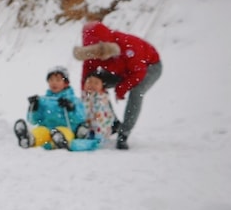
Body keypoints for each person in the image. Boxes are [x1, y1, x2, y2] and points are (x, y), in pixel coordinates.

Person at [73, 21, 162, 150]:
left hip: (149, 67)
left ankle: (124, 133)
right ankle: (112, 122)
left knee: (137, 92)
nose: (98, 56)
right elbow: (88, 76)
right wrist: (85, 95)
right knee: (96, 83)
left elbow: (138, 73)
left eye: (101, 51)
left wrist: (121, 89)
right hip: (121, 70)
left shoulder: (128, 46)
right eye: (94, 52)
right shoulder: (92, 53)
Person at [13, 66, 87, 150]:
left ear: (66, 83)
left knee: (63, 132)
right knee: (40, 131)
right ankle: (29, 139)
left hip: (66, 128)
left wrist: (71, 108)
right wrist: (34, 108)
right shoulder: (44, 100)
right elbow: (33, 121)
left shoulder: (73, 100)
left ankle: (61, 141)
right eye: (51, 80)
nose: (54, 83)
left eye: (58, 80)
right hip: (47, 129)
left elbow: (81, 118)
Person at [79, 71, 120, 148]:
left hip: (100, 128)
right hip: (87, 126)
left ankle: (98, 138)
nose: (92, 85)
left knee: (98, 125)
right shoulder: (84, 97)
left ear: (102, 86)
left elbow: (104, 115)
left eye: (96, 83)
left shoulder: (102, 98)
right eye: (89, 82)